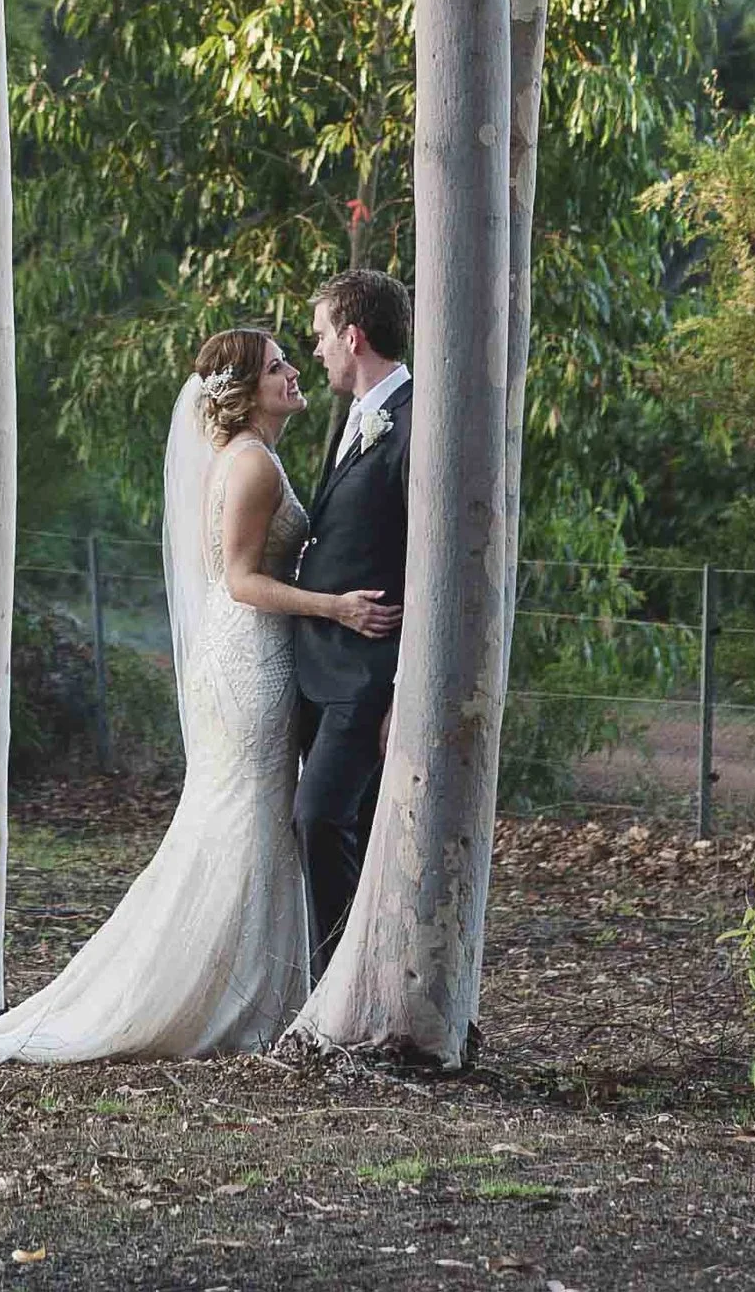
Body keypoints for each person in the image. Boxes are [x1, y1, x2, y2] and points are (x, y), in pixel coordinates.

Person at [0, 323, 366, 1067]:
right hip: (250, 656)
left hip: (249, 650)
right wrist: (335, 606)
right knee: (247, 815)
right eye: (278, 366)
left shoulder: (252, 455)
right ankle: (224, 998)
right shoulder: (251, 465)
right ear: (246, 391)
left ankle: (255, 991)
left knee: (252, 816)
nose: (293, 372)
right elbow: (241, 581)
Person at [289, 266, 412, 976]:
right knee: (351, 828)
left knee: (322, 815)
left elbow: (429, 566)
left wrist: (402, 690)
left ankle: (337, 984)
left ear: (353, 335)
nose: (317, 350)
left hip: (368, 677)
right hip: (320, 668)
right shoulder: (361, 415)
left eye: (321, 336)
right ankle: (364, 981)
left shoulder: (414, 421)